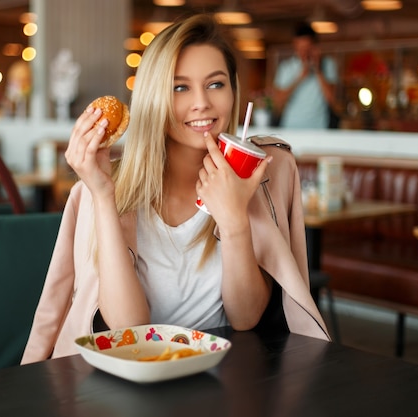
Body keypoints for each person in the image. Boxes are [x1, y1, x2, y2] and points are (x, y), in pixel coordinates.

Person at [21, 14, 330, 363]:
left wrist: (233, 220)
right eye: (179, 87)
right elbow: (127, 329)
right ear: (154, 97)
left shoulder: (260, 176)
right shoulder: (106, 189)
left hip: (225, 378)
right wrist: (104, 197)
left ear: (233, 90)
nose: (202, 102)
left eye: (216, 84)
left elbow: (246, 319)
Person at [273, 22, 338, 129]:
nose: (303, 53)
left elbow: (332, 100)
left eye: (307, 48)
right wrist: (300, 78)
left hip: (319, 128)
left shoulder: (327, 65)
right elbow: (278, 102)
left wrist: (318, 70)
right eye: (300, 48)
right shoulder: (286, 67)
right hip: (290, 127)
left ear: (315, 47)